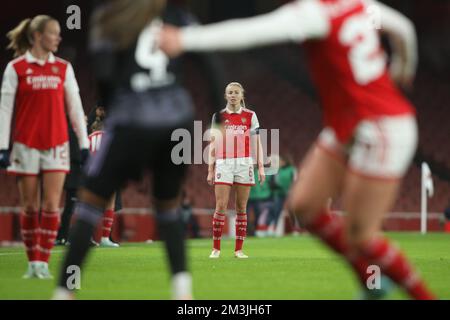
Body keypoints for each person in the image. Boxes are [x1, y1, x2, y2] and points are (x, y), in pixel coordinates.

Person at [160, 0, 436, 299]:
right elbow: (404, 29)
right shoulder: (359, 4)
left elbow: (254, 31)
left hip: (381, 127)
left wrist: (185, 39)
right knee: (304, 206)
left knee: (361, 236)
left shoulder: (314, 13)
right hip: (348, 123)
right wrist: (402, 68)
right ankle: (373, 285)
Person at [53, 0, 224, 300]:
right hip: (177, 121)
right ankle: (183, 293)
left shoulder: (109, 16)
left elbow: (104, 75)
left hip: (132, 118)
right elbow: (211, 60)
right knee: (168, 206)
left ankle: (64, 292)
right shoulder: (177, 15)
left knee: (90, 202)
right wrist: (219, 119)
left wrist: (114, 108)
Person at [0, 15, 89, 279]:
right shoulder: (16, 68)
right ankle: (32, 262)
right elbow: (5, 109)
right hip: (25, 145)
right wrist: (2, 146)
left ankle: (44, 262)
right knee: (30, 206)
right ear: (38, 36)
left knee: (51, 206)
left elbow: (75, 108)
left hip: (56, 143)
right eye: (54, 33)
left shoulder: (63, 68)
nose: (59, 38)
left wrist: (83, 143)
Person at [207, 82, 265, 259]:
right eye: (229, 92)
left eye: (236, 92)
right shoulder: (218, 116)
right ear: (225, 96)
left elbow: (257, 142)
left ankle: (238, 250)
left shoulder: (250, 116)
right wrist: (210, 169)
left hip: (244, 164)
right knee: (221, 206)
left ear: (242, 96)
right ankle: (216, 248)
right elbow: (213, 144)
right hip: (223, 162)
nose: (233, 95)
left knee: (241, 207)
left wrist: (261, 167)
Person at [88, 115, 120, 247]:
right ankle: (105, 238)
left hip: (90, 174)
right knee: (109, 204)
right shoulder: (109, 137)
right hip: (106, 173)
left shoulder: (88, 138)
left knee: (89, 206)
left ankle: (86, 237)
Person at [266, 154, 297, 236]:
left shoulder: (291, 170)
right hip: (278, 194)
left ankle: (295, 229)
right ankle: (274, 229)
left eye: (279, 161)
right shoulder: (277, 170)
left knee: (292, 212)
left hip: (290, 194)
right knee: (276, 211)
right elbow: (273, 181)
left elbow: (295, 181)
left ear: (284, 161)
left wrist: (292, 191)